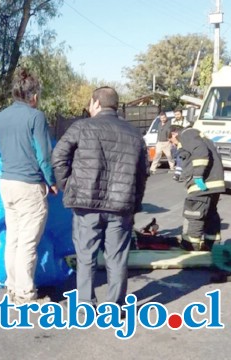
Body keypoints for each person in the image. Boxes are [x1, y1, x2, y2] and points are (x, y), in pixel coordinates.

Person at [52, 86, 148, 306]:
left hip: (87, 205)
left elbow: (58, 156)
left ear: (96, 103)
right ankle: (115, 306)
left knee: (86, 257)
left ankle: (86, 305)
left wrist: (68, 186)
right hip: (121, 206)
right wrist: (135, 202)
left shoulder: (82, 127)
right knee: (117, 258)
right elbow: (143, 173)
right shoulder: (134, 134)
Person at [0, 68, 58, 305]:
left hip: (7, 183)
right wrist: (52, 181)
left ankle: (12, 285)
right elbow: (44, 156)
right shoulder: (35, 117)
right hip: (29, 185)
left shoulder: (1, 117)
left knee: (14, 239)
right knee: (28, 243)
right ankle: (26, 295)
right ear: (34, 95)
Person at [169, 126, 225, 251]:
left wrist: (198, 175)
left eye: (171, 140)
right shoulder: (201, 137)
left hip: (203, 182)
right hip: (214, 183)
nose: (172, 143)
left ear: (174, 134)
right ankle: (212, 245)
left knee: (194, 214)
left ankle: (190, 247)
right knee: (210, 214)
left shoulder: (187, 134)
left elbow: (200, 151)